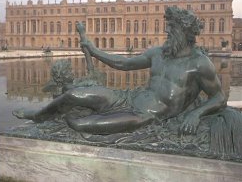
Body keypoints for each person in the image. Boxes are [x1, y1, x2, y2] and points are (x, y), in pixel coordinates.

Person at [13, 7, 226, 135]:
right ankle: (39, 115)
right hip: (127, 98)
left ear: (184, 32)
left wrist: (196, 114)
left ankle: (68, 119)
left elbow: (219, 97)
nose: (166, 32)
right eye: (167, 28)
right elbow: (123, 64)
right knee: (72, 95)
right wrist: (95, 51)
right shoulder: (158, 53)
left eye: (171, 30)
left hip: (146, 115)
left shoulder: (200, 63)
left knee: (80, 124)